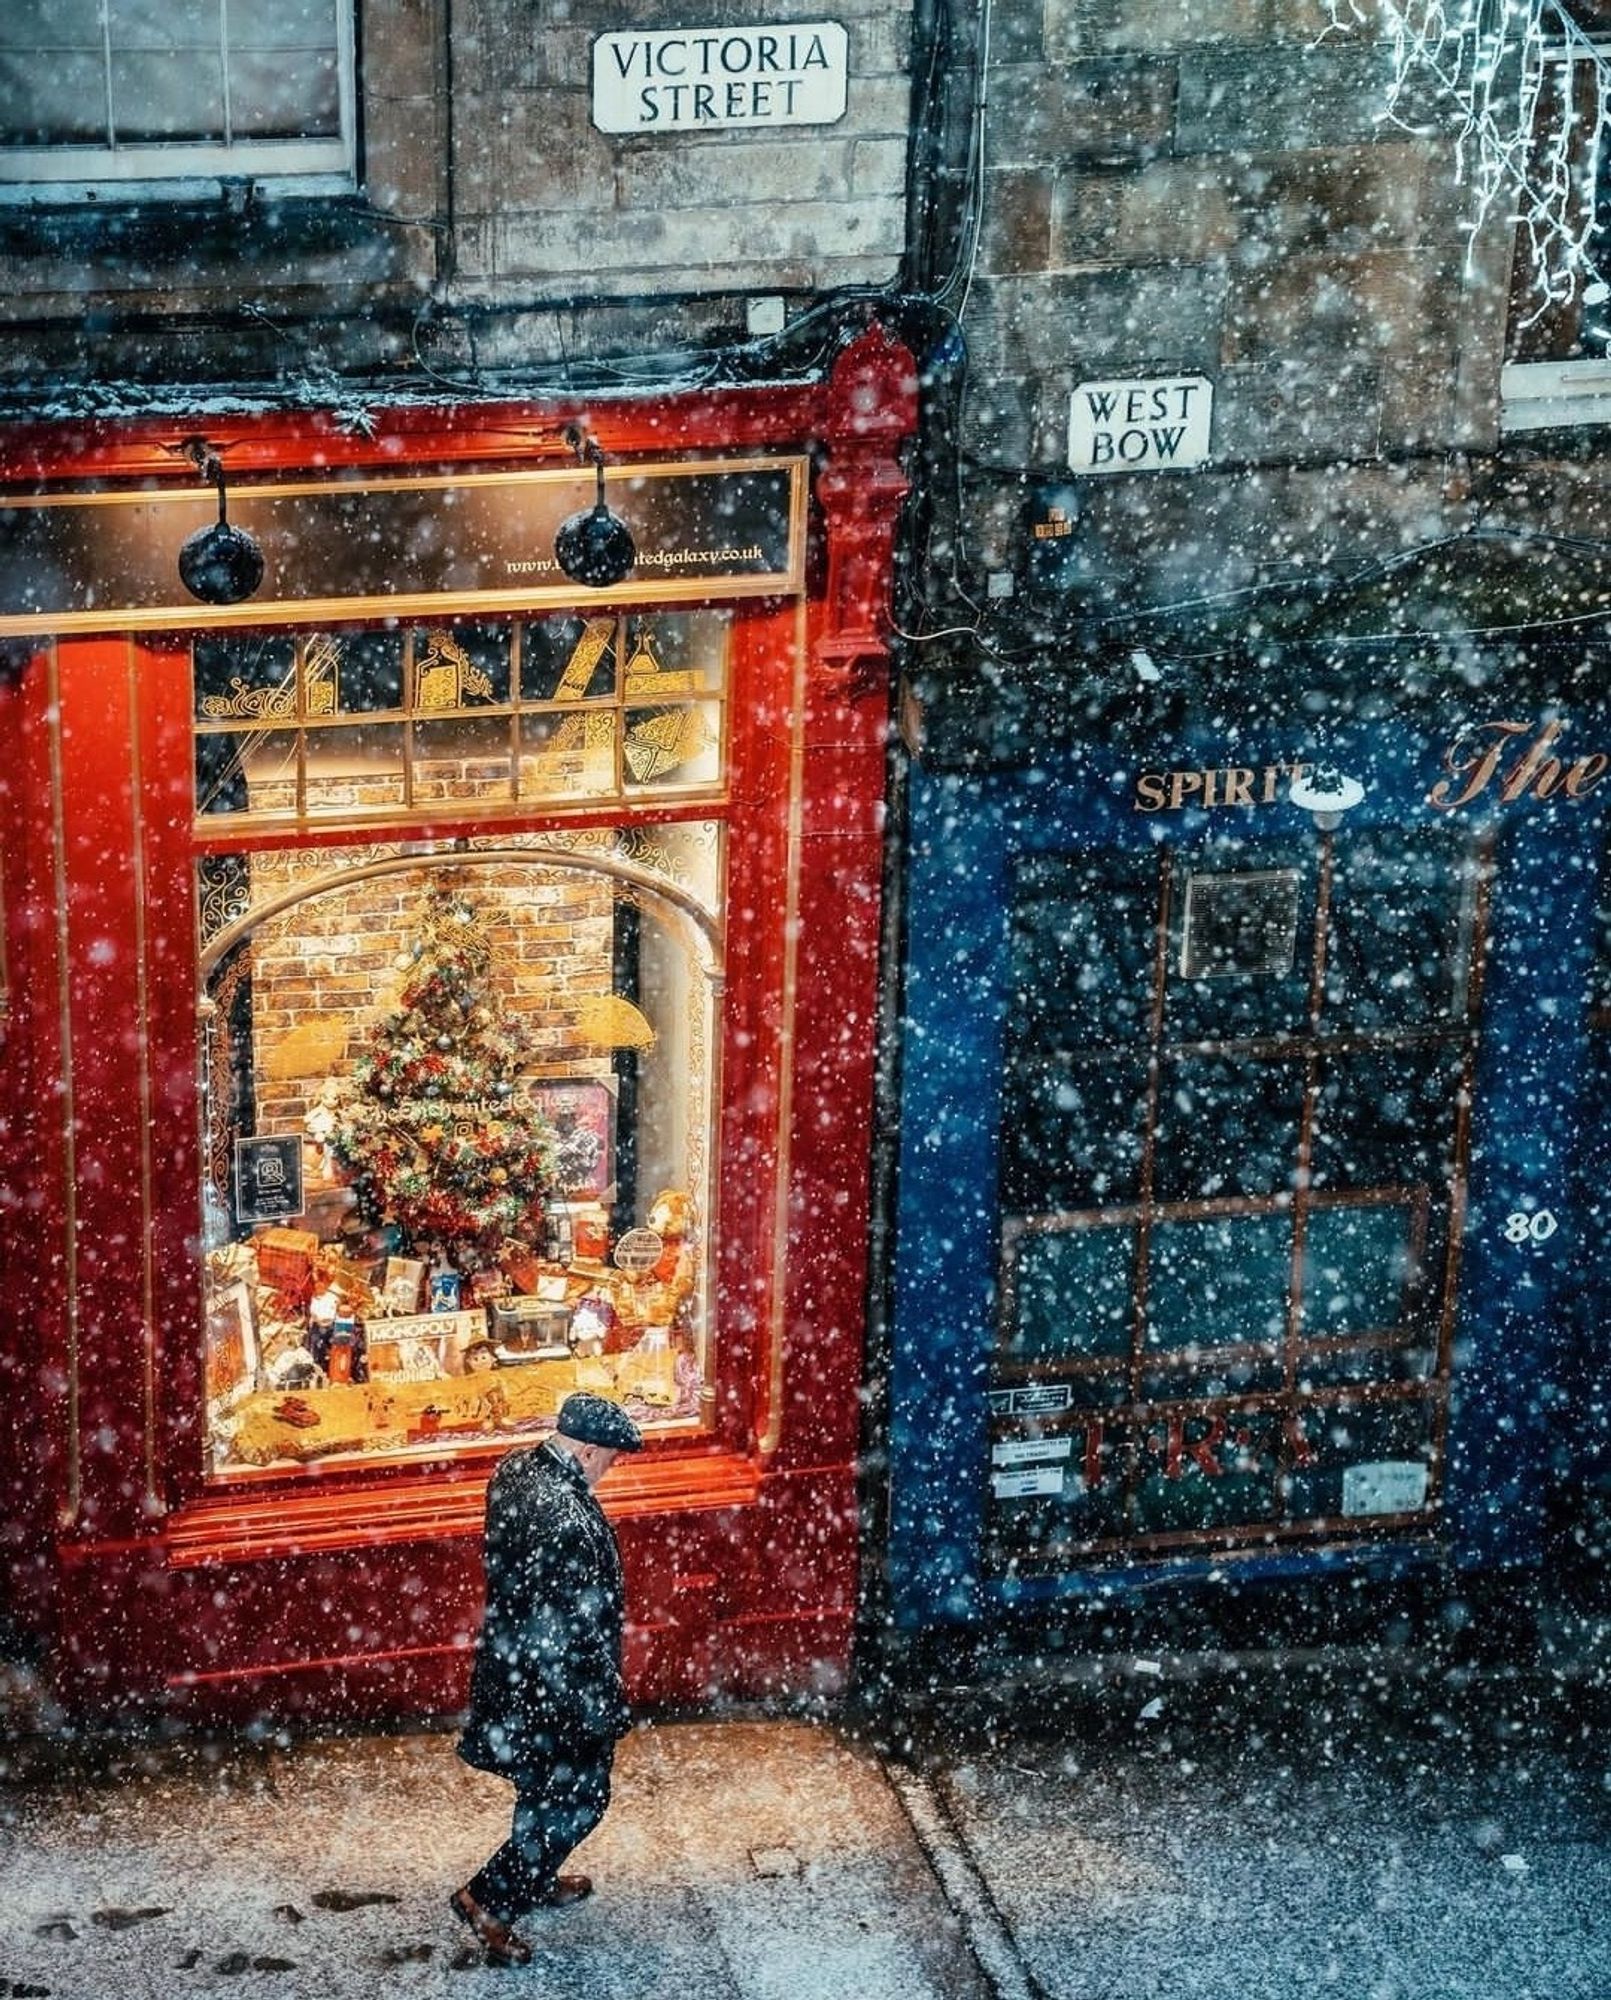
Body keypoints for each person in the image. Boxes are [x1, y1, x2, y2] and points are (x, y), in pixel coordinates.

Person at [451, 1391, 643, 1968]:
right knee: (581, 1796)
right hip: (554, 1688)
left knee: (542, 1787)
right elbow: (567, 1631)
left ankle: (534, 1877)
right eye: (609, 1458)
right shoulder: (563, 1518)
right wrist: (597, 1702)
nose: (611, 1469)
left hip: (516, 1674)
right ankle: (489, 1899)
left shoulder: (517, 1468)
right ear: (585, 1452)